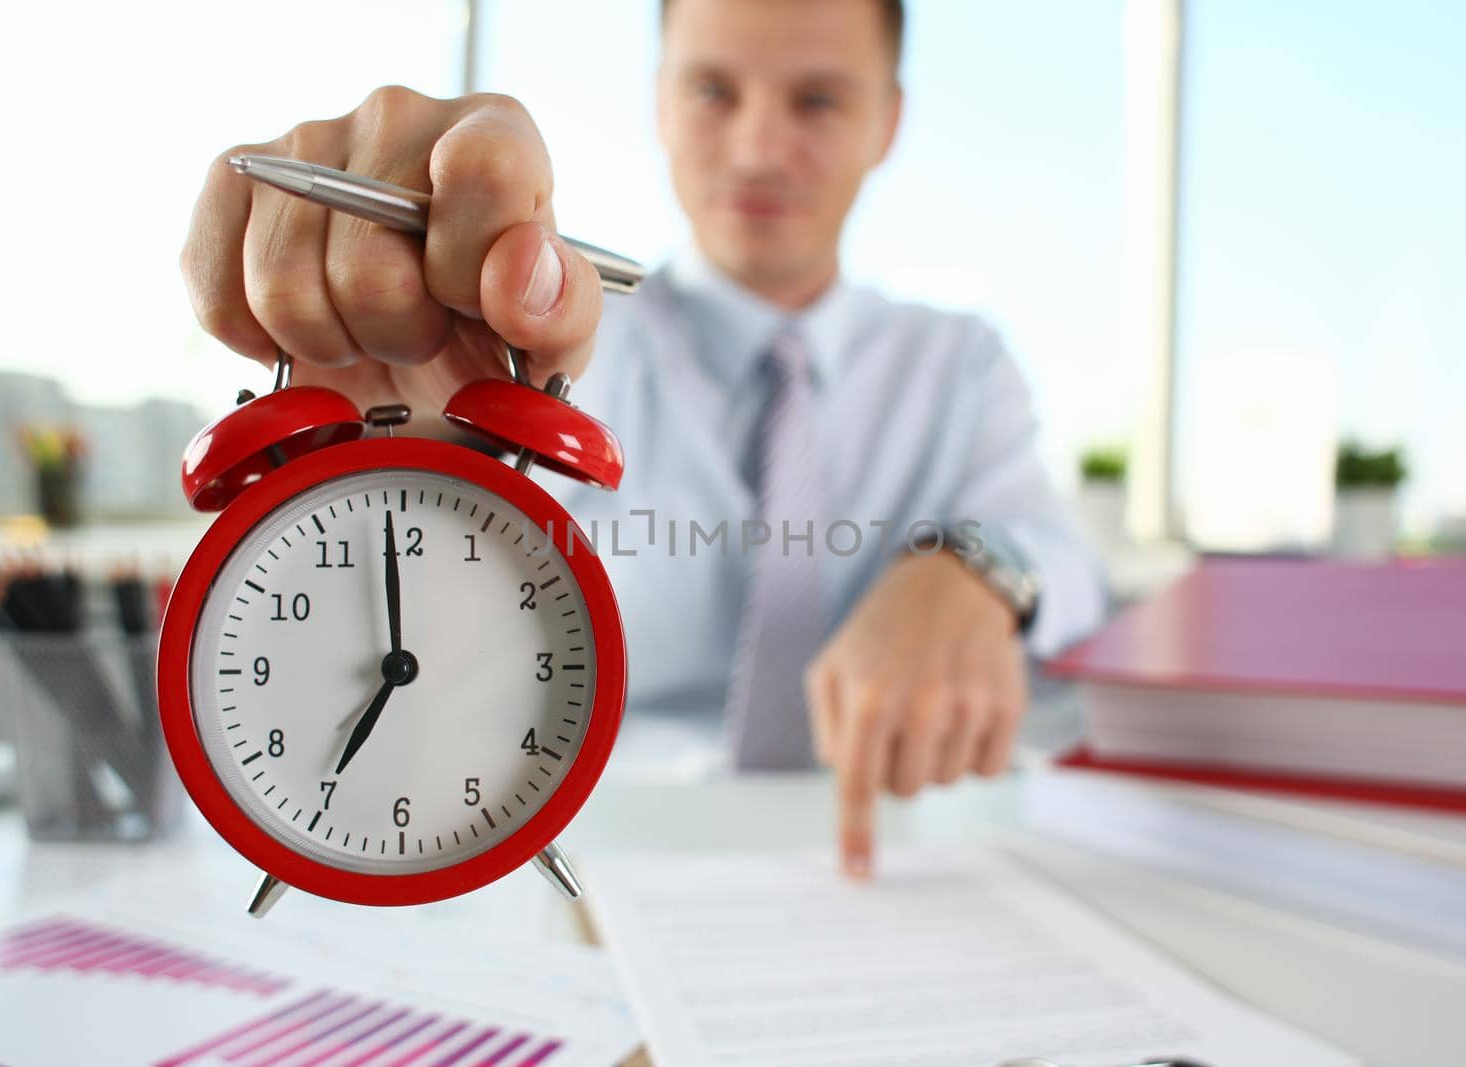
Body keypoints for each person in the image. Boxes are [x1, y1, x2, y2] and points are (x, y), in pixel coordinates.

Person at [181, 0, 1105, 880]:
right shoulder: (525, 347)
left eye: (817, 99)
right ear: (659, 100)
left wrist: (977, 567)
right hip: (586, 863)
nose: (757, 150)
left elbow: (1068, 565)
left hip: (886, 858)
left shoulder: (960, 365)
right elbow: (405, 635)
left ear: (889, 122)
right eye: (713, 90)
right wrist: (391, 450)